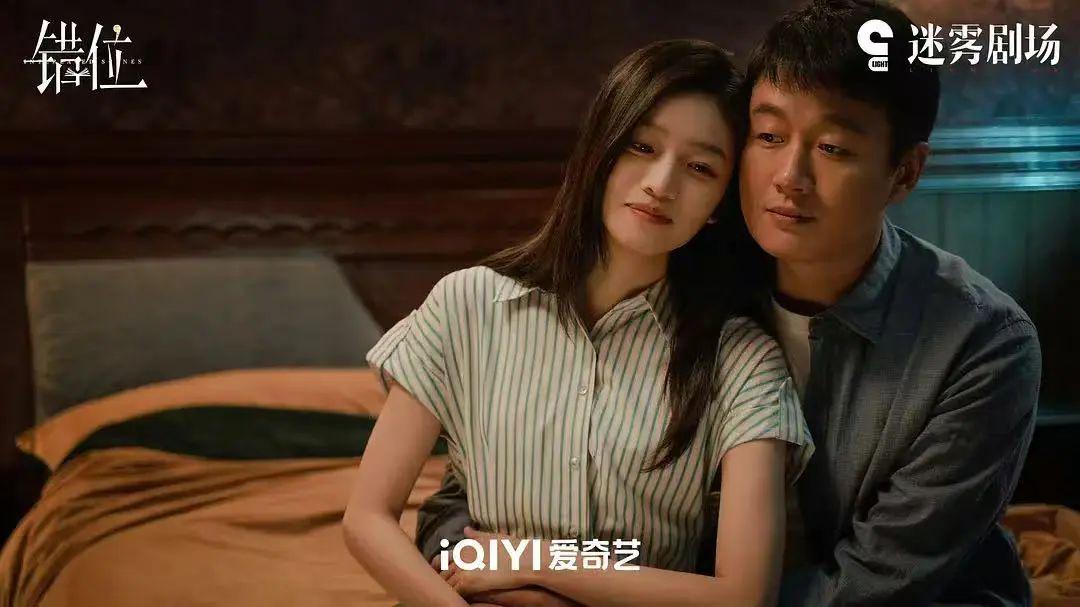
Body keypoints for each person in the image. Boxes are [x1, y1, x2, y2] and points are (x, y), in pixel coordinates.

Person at [417, 1, 1043, 606]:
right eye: (768, 135)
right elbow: (469, 497)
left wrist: (585, 590)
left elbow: (873, 587)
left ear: (904, 173)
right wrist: (518, 580)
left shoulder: (982, 343)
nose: (789, 177)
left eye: (832, 148)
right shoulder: (676, 270)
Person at [342, 39, 814, 607]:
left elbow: (742, 596)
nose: (661, 184)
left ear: (720, 202)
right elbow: (367, 518)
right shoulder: (468, 305)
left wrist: (536, 561)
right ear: (601, 150)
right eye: (642, 146)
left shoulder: (740, 358)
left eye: (700, 167)